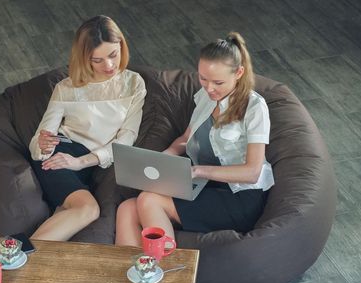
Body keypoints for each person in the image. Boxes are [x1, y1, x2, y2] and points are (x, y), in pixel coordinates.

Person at [115, 32, 273, 246]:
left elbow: (252, 172)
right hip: (205, 186)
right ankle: (131, 273)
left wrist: (198, 171)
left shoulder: (254, 107)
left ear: (239, 73)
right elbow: (185, 138)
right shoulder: (206, 98)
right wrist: (163, 159)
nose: (209, 88)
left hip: (239, 196)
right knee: (126, 209)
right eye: (203, 78)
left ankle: (163, 271)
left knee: (149, 199)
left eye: (218, 82)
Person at [28, 15, 146, 241]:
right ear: (85, 58)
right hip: (62, 154)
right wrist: (42, 145)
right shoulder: (66, 88)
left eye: (113, 54)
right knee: (88, 210)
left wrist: (82, 162)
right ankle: (11, 260)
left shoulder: (134, 83)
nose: (109, 65)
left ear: (122, 45)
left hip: (88, 163)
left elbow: (127, 138)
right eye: (97, 60)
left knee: (64, 216)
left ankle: (9, 261)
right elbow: (39, 140)